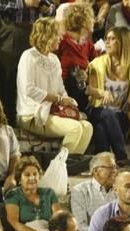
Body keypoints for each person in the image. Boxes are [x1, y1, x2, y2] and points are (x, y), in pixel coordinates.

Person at [16, 17, 94, 155]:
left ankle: (69, 168)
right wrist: (58, 99)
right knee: (75, 128)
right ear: (46, 36)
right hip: (31, 114)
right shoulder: (28, 56)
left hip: (51, 111)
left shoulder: (54, 59)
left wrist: (67, 101)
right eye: (57, 35)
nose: (60, 38)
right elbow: (29, 90)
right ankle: (58, 167)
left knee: (87, 127)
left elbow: (60, 88)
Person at [87, 26, 130, 165]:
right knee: (107, 114)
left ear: (123, 42)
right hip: (97, 110)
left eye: (112, 39)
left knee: (101, 129)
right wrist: (102, 93)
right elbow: (90, 90)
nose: (107, 42)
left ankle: (103, 165)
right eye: (107, 38)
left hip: (120, 117)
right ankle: (121, 156)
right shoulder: (98, 63)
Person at [4, 156, 61, 231]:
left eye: (35, 174)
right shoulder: (13, 195)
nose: (32, 178)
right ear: (19, 178)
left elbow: (60, 220)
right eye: (27, 175)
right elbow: (13, 221)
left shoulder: (49, 193)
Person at [56, 4, 97, 112]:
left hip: (81, 90)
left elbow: (96, 62)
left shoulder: (87, 44)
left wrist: (87, 74)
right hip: (62, 89)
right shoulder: (62, 41)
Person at [70, 152, 118, 231]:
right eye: (110, 167)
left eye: (115, 167)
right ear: (96, 171)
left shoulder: (118, 190)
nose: (114, 171)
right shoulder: (80, 191)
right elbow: (81, 227)